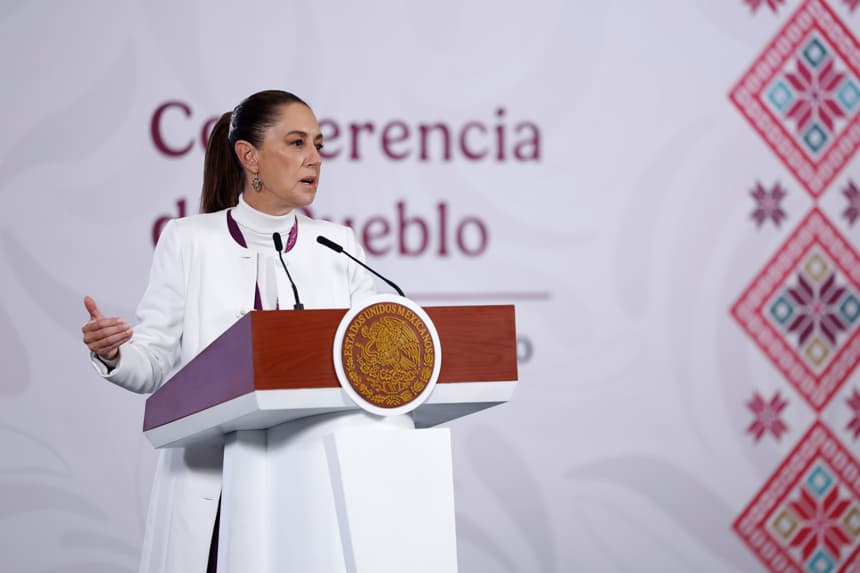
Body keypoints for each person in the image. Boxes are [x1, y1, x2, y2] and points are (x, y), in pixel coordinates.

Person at [81, 90, 375, 572]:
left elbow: (375, 345)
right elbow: (152, 362)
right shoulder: (189, 240)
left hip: (309, 486)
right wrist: (114, 355)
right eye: (298, 143)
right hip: (212, 491)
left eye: (319, 145)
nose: (315, 159)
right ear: (249, 155)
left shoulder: (337, 247)